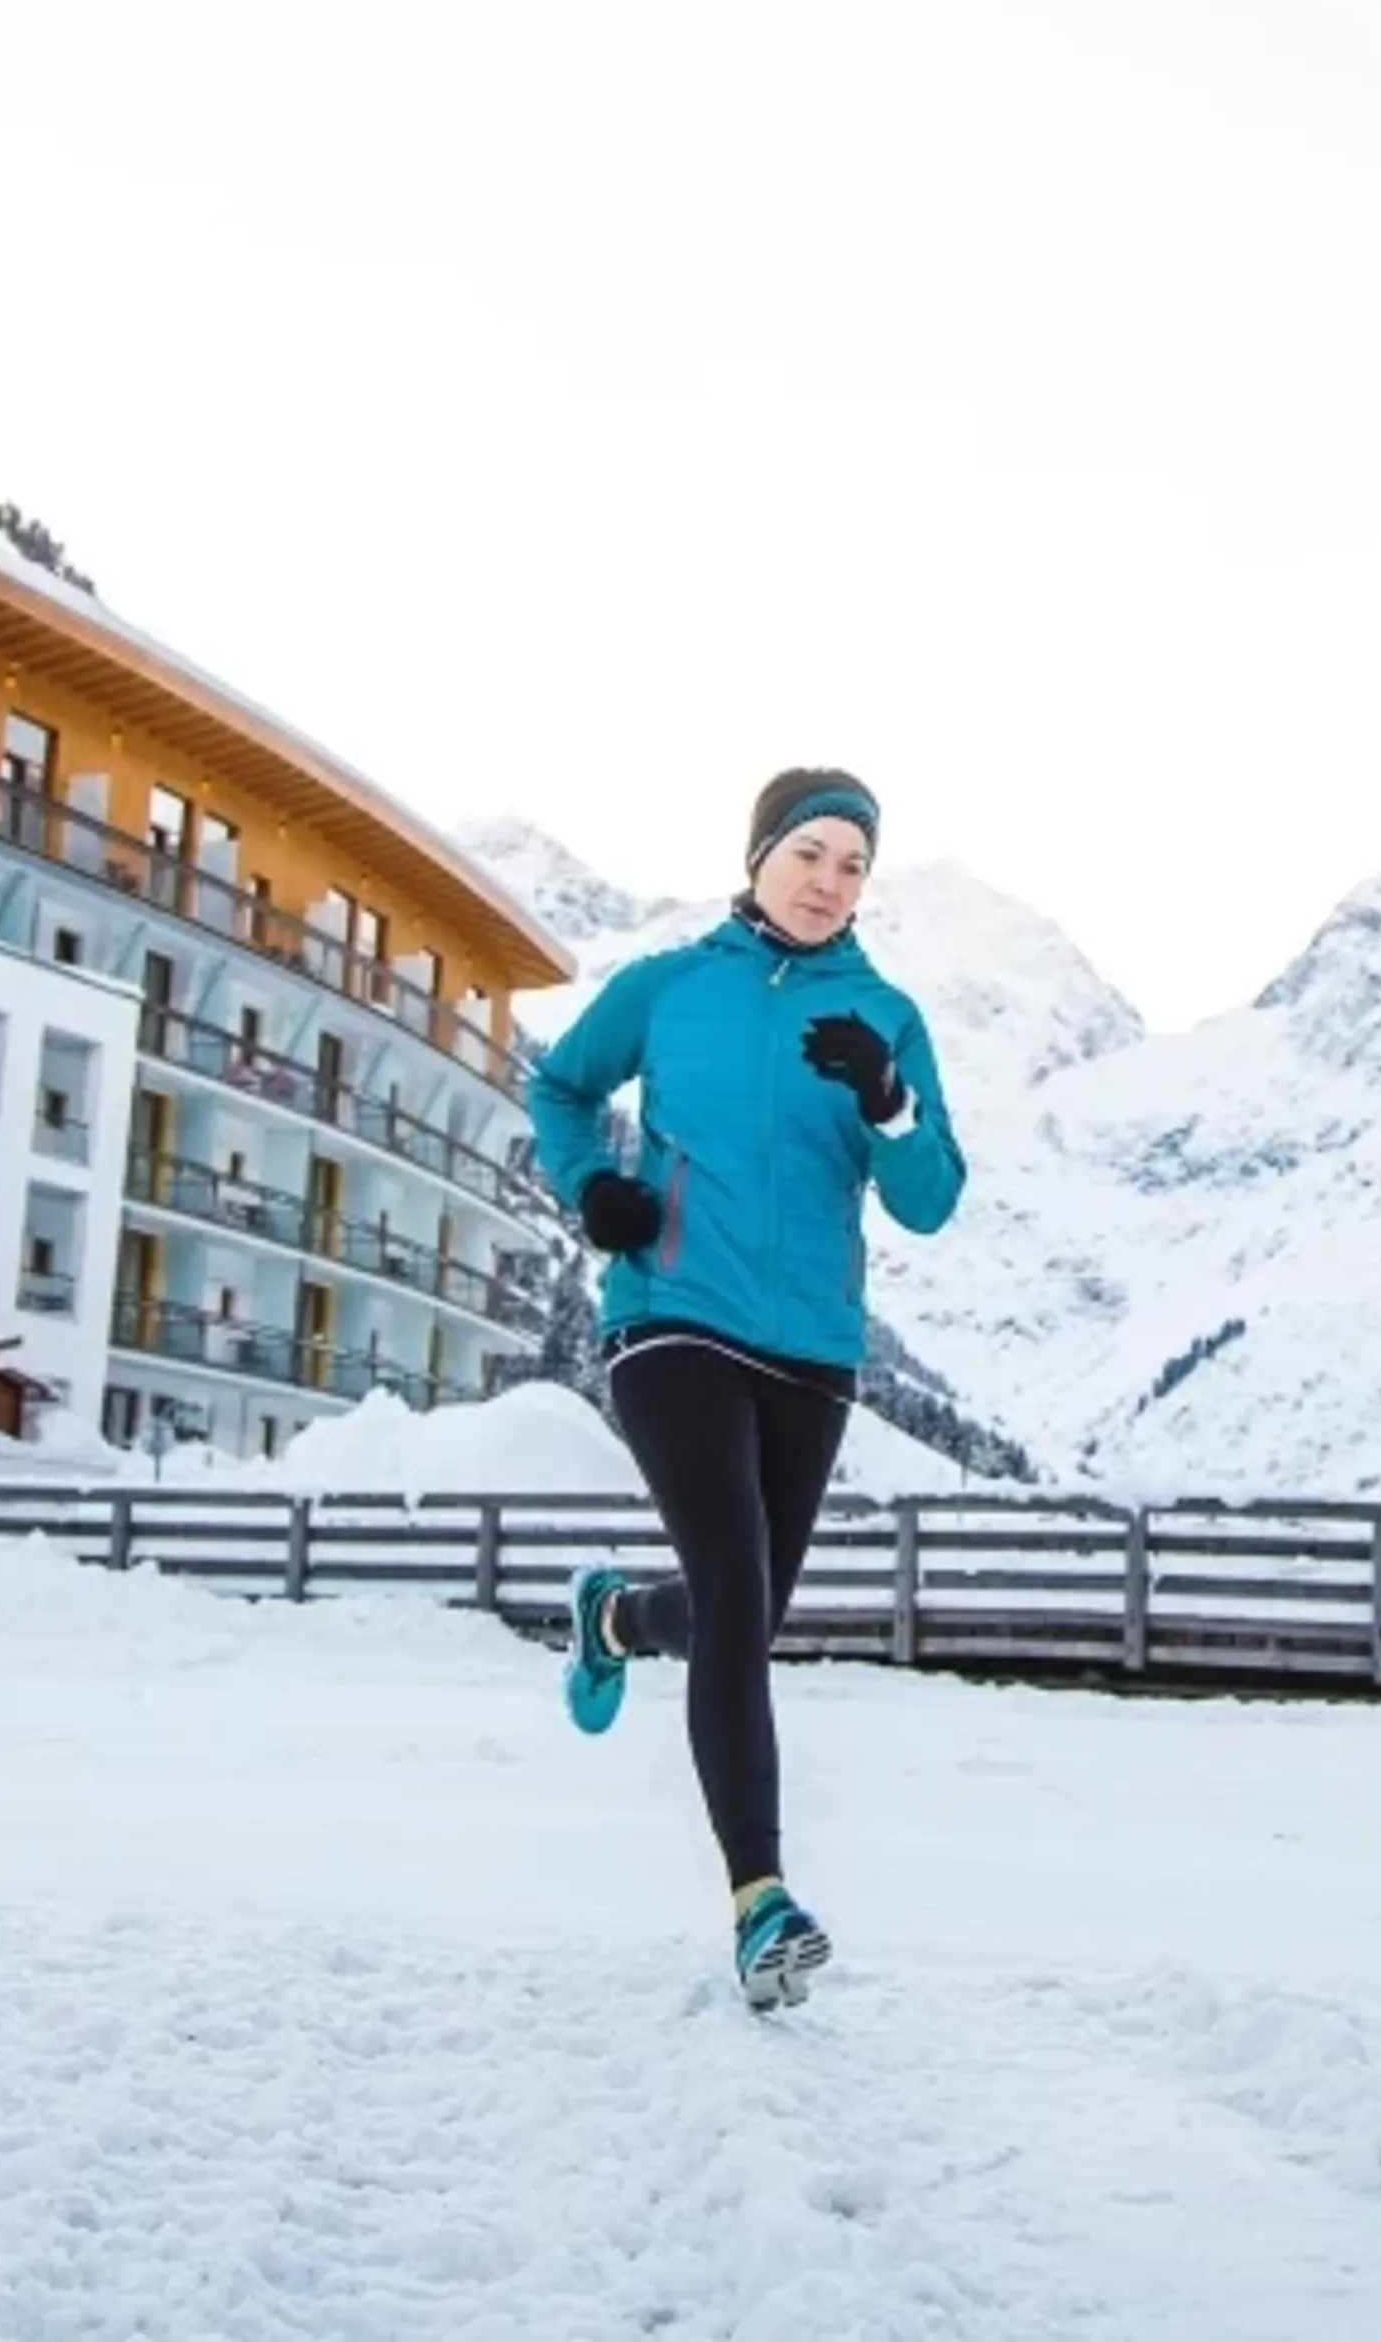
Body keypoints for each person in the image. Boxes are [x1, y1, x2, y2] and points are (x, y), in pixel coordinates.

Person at [525, 767, 967, 2008]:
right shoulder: (669, 986)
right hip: (670, 1314)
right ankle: (760, 1899)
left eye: (853, 865)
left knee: (742, 1610)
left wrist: (888, 1103)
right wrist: (591, 1185)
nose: (829, 882)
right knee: (732, 1582)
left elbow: (931, 1197)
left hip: (810, 1347)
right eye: (810, 852)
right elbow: (561, 1085)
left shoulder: (885, 1015)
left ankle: (617, 1616)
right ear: (761, 853)